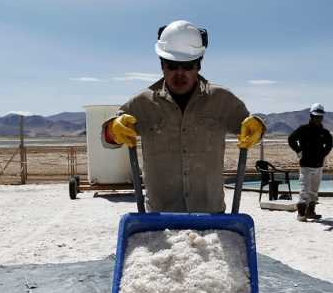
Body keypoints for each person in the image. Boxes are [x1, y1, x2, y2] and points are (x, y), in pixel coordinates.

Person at [102, 20, 265, 213]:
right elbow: (108, 140)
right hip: (160, 218)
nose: (180, 73)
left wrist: (258, 128)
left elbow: (251, 128)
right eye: (172, 65)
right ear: (162, 65)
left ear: (198, 65)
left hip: (211, 216)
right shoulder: (143, 103)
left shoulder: (223, 100)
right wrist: (113, 129)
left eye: (187, 66)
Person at [288, 103, 333, 221]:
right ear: (311, 116)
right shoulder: (303, 129)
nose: (318, 119)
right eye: (316, 116)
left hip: (318, 166)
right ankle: (301, 214)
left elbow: (329, 144)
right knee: (305, 191)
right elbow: (291, 139)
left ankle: (311, 212)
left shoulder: (324, 132)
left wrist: (323, 154)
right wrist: (298, 150)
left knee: (314, 191)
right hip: (306, 165)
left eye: (320, 117)